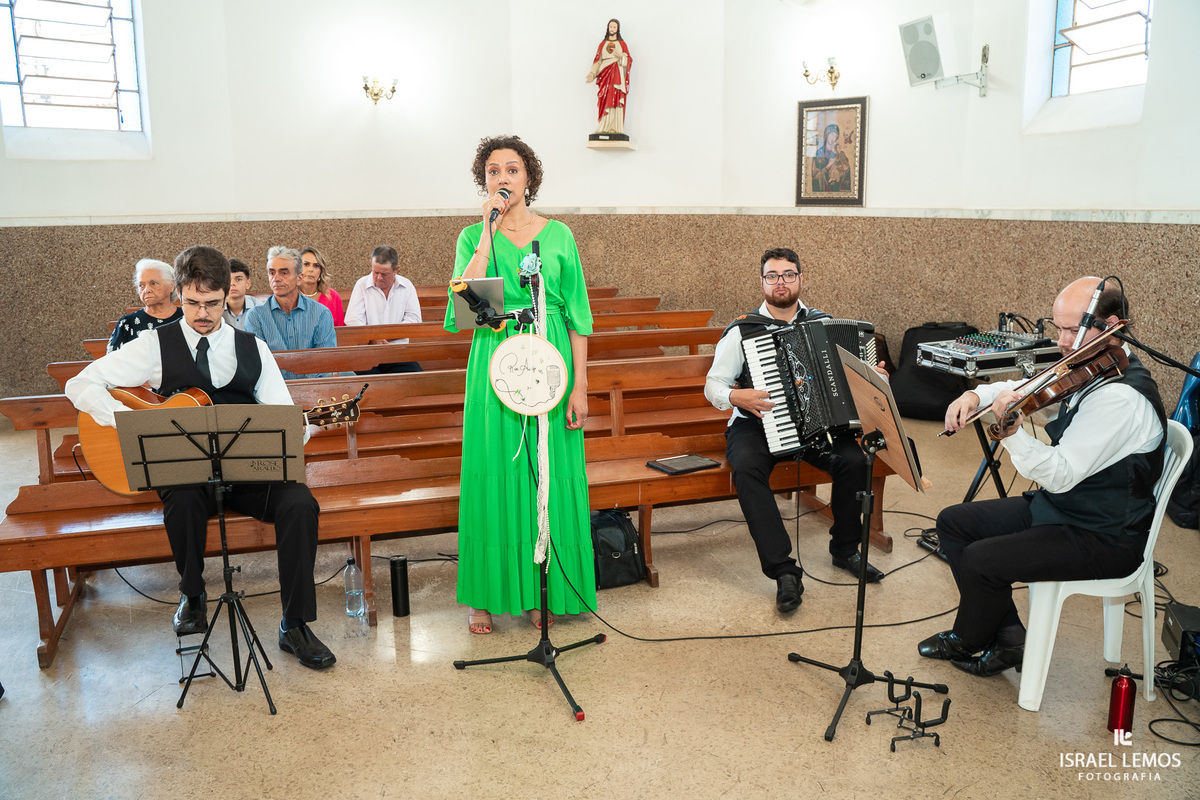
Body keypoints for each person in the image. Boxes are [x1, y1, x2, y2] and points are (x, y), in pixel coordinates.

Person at [65, 245, 335, 670]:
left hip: (246, 472)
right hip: (186, 471)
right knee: (183, 495)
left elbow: (284, 418)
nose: (202, 313)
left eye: (212, 303)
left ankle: (295, 624)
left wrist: (302, 427)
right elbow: (79, 384)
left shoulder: (253, 348)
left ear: (228, 295)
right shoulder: (155, 345)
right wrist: (128, 422)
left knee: (300, 503)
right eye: (192, 303)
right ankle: (192, 594)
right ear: (179, 295)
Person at [920, 278, 1165, 677]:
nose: (1063, 342)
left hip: (1103, 534)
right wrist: (975, 396)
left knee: (982, 560)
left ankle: (970, 637)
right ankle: (1010, 638)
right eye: (1058, 329)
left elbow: (1060, 475)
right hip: (1069, 509)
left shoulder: (1119, 397)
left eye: (1072, 330)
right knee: (954, 523)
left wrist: (1012, 434)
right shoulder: (1091, 364)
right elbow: (1023, 387)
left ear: (1111, 325)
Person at [447, 135, 595, 634]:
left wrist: (580, 387)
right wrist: (487, 234)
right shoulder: (473, 236)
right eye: (493, 171)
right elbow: (467, 302)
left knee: (545, 476)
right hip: (494, 360)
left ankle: (537, 591)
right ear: (484, 181)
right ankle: (484, 596)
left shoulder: (560, 235)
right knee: (495, 473)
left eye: (512, 169)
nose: (503, 178)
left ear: (529, 177)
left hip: (549, 357)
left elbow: (577, 317)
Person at [704, 247, 886, 614]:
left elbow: (850, 381)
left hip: (816, 426)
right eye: (772, 276)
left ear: (800, 278)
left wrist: (874, 378)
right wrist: (736, 395)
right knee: (747, 469)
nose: (780, 282)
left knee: (855, 460)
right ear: (762, 283)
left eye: (788, 275)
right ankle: (784, 571)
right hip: (756, 424)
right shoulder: (743, 331)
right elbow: (713, 385)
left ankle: (845, 550)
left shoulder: (824, 323)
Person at [244, 246, 337, 379]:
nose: (276, 278)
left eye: (284, 273)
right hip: (272, 389)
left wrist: (304, 388)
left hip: (313, 387)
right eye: (272, 273)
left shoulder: (321, 313)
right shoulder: (256, 316)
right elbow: (257, 365)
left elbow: (325, 362)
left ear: (299, 278)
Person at [344, 245, 423, 374]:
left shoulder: (407, 286)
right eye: (375, 272)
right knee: (366, 382)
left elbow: (414, 319)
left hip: (398, 353)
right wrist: (371, 338)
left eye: (384, 274)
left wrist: (386, 336)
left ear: (396, 269)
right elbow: (353, 319)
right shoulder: (362, 285)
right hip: (367, 353)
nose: (379, 278)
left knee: (418, 379)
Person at [108, 259, 183, 352]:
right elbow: (113, 359)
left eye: (154, 283)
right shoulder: (128, 323)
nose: (147, 290)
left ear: (172, 285)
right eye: (141, 285)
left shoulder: (187, 319)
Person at [585, 18, 632, 136]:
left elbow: (629, 60)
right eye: (611, 27)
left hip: (617, 76)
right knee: (605, 98)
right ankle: (604, 126)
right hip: (605, 76)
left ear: (617, 29)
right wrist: (592, 73)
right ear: (608, 28)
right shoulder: (602, 45)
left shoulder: (622, 44)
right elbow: (597, 62)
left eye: (614, 27)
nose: (612, 29)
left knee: (616, 97)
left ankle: (615, 128)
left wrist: (620, 56)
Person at [299, 247, 345, 327]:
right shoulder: (289, 296)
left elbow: (341, 330)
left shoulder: (332, 296)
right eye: (306, 264)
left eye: (316, 266)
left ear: (321, 272)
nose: (311, 269)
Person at [222, 258, 261, 330]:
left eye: (238, 279)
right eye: (228, 280)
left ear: (248, 284)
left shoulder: (259, 308)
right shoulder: (215, 308)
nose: (232, 283)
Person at [812, 123, 852, 194]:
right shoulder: (819, 153)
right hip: (824, 190)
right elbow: (815, 176)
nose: (833, 138)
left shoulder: (840, 154)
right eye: (832, 134)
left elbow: (847, 170)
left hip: (837, 190)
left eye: (836, 136)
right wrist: (829, 165)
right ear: (826, 135)